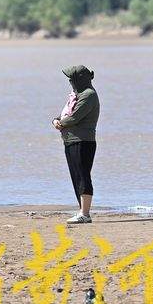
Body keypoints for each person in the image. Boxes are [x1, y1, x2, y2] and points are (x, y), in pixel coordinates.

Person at [51, 65, 100, 224]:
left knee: (83, 175)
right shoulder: (76, 95)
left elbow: (74, 117)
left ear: (80, 79)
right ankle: (82, 212)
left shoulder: (89, 95)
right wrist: (56, 120)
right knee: (76, 176)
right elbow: (65, 114)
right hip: (70, 140)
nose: (70, 82)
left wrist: (61, 123)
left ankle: (85, 214)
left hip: (83, 141)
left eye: (72, 79)